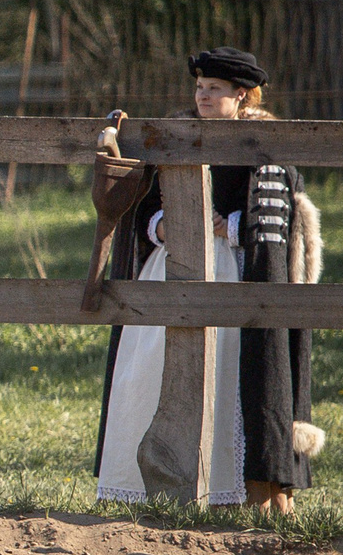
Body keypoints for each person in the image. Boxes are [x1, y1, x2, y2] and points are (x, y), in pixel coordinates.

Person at [92, 46, 325, 514]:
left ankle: (233, 493)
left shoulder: (264, 148)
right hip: (171, 268)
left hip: (235, 274)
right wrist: (164, 227)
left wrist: (231, 226)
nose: (203, 95)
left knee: (230, 379)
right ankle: (154, 484)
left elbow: (275, 221)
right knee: (150, 371)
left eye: (214, 89)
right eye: (200, 87)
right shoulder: (176, 138)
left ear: (241, 95)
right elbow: (145, 208)